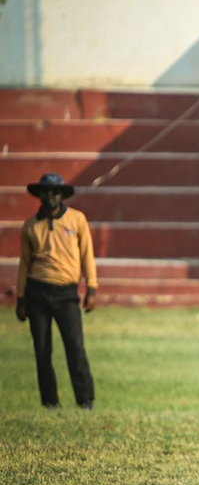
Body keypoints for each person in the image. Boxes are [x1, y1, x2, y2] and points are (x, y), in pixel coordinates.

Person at [16, 172, 98, 410]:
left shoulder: (76, 220)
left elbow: (87, 254)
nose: (50, 196)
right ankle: (50, 402)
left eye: (55, 192)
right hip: (37, 292)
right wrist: (21, 297)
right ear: (39, 195)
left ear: (61, 195)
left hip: (66, 293)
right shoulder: (30, 225)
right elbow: (24, 263)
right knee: (42, 350)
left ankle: (85, 399)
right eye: (45, 192)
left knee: (75, 346)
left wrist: (92, 287)